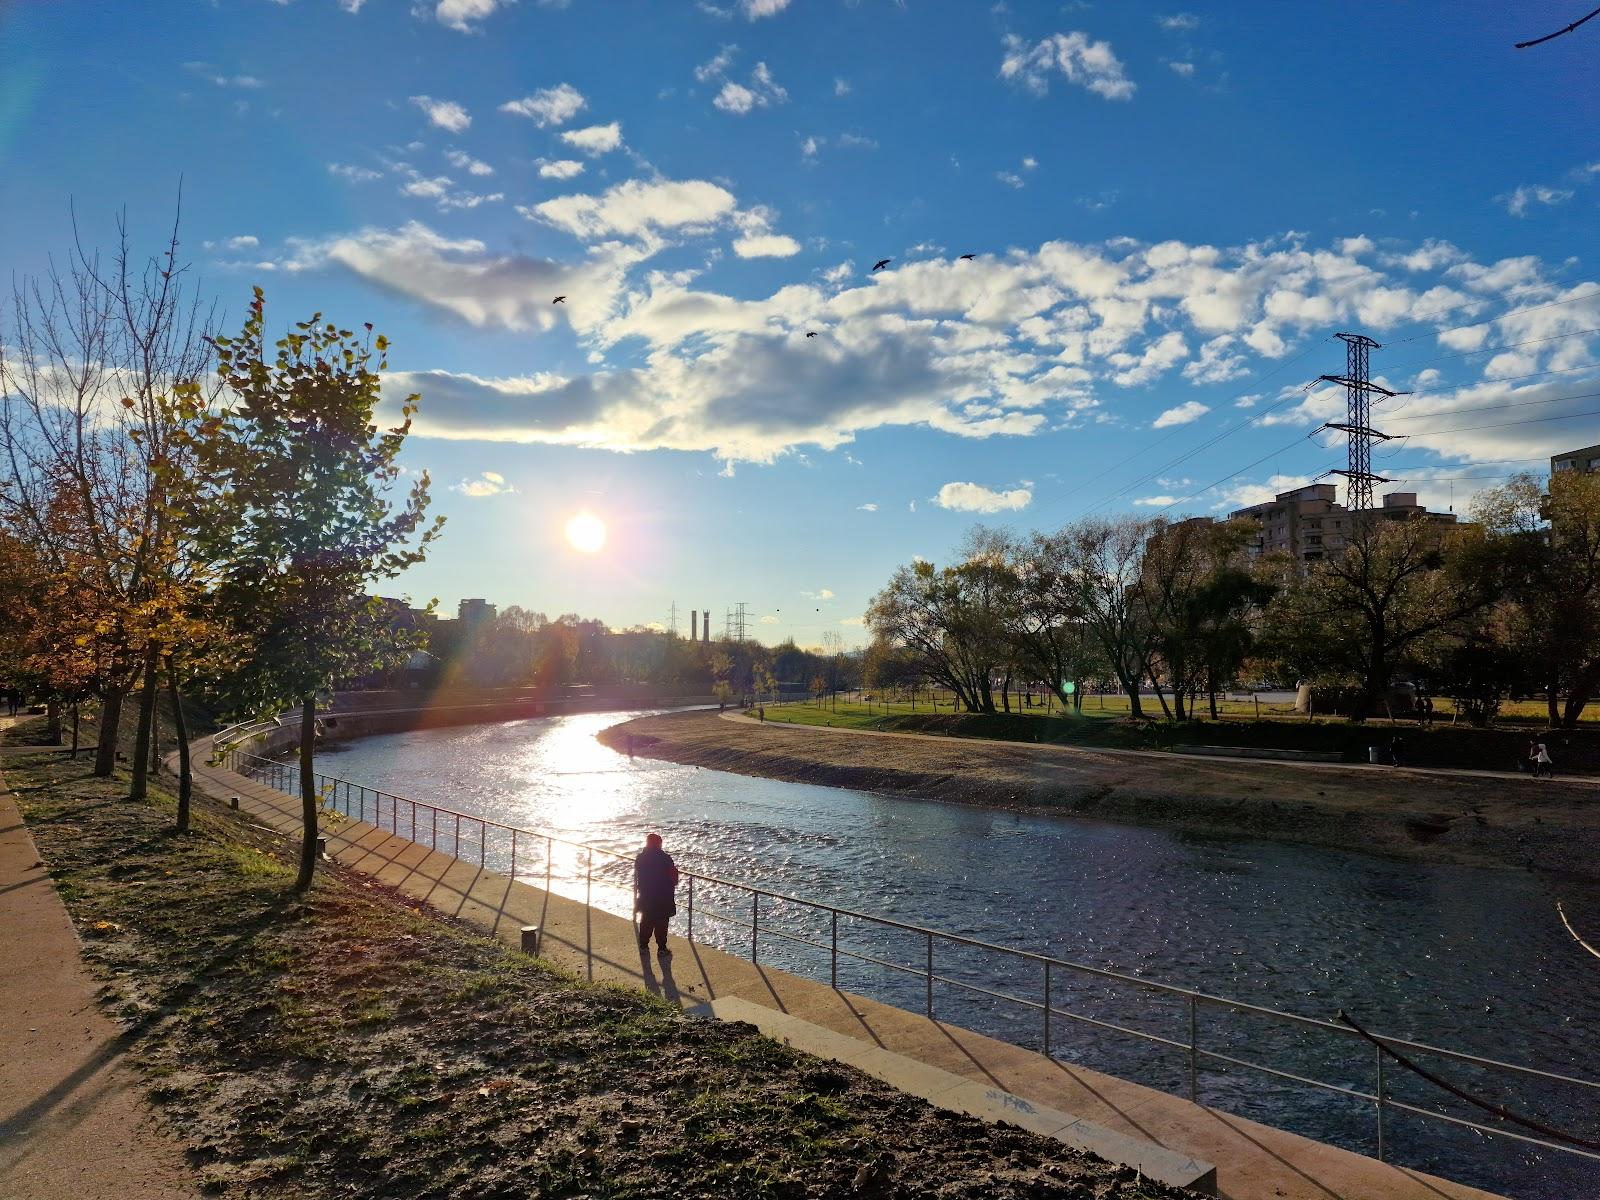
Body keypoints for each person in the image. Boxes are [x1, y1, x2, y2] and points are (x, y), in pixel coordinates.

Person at [633, 832, 679, 957]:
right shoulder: (665, 859)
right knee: (662, 923)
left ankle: (643, 946)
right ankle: (662, 949)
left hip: (646, 895)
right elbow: (674, 878)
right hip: (663, 896)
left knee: (646, 920)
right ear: (659, 844)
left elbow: (638, 873)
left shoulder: (640, 858)